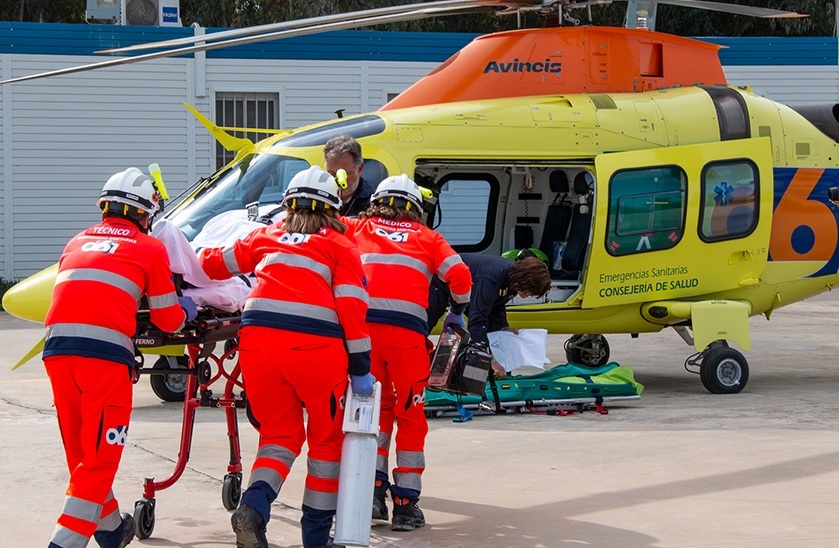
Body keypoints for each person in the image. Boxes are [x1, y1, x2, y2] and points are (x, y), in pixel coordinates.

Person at [198, 166, 373, 548]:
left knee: (278, 436)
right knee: (326, 445)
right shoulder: (341, 246)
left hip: (257, 344)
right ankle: (316, 538)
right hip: (316, 350)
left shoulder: (268, 234)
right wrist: (361, 366)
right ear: (334, 208)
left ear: (288, 204)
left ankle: (253, 508)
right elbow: (352, 308)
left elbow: (210, 264)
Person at [43, 167, 194, 548]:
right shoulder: (149, 247)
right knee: (100, 458)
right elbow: (167, 319)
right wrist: (187, 310)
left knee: (82, 451)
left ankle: (111, 529)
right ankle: (63, 542)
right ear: (145, 214)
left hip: (57, 353)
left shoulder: (77, 241)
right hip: (104, 360)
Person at [343, 174, 472, 532]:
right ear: (416, 208)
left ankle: (371, 492)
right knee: (410, 414)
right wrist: (457, 311)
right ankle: (405, 505)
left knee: (372, 411)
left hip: (362, 336)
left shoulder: (354, 227)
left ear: (375, 202)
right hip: (407, 340)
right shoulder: (429, 238)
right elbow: (460, 276)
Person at [427, 253, 551, 378]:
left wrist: (503, 328)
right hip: (440, 281)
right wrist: (491, 360)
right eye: (529, 291)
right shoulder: (491, 278)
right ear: (524, 280)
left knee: (495, 333)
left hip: (470, 286)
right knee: (426, 323)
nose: (528, 295)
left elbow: (496, 306)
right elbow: (477, 321)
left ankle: (497, 373)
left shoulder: (512, 280)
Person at [324, 134, 375, 217]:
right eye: (332, 173)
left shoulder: (373, 203)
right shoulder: (319, 198)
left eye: (344, 174)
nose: (337, 180)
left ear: (360, 169)